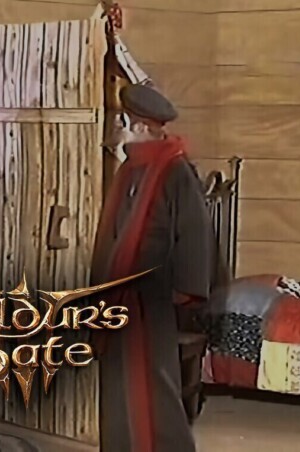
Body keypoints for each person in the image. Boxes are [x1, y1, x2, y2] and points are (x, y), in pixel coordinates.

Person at [90, 84, 215, 452]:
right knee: (118, 384)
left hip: (153, 296)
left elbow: (194, 232)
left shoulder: (175, 171)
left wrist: (184, 291)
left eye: (123, 123)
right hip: (119, 294)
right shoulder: (129, 169)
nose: (118, 130)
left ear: (141, 127)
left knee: (154, 384)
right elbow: (112, 233)